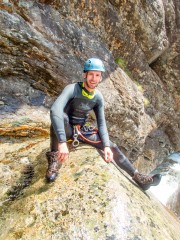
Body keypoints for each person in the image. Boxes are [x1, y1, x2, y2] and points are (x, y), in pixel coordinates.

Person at [46, 58, 161, 190]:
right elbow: (55, 110)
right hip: (65, 128)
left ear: (100, 78)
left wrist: (106, 146)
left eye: (97, 75)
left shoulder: (97, 97)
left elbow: (101, 124)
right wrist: (62, 142)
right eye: (91, 74)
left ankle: (138, 177)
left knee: (112, 147)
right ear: (85, 75)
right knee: (61, 117)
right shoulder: (72, 89)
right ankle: (54, 159)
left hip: (80, 131)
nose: (93, 78)